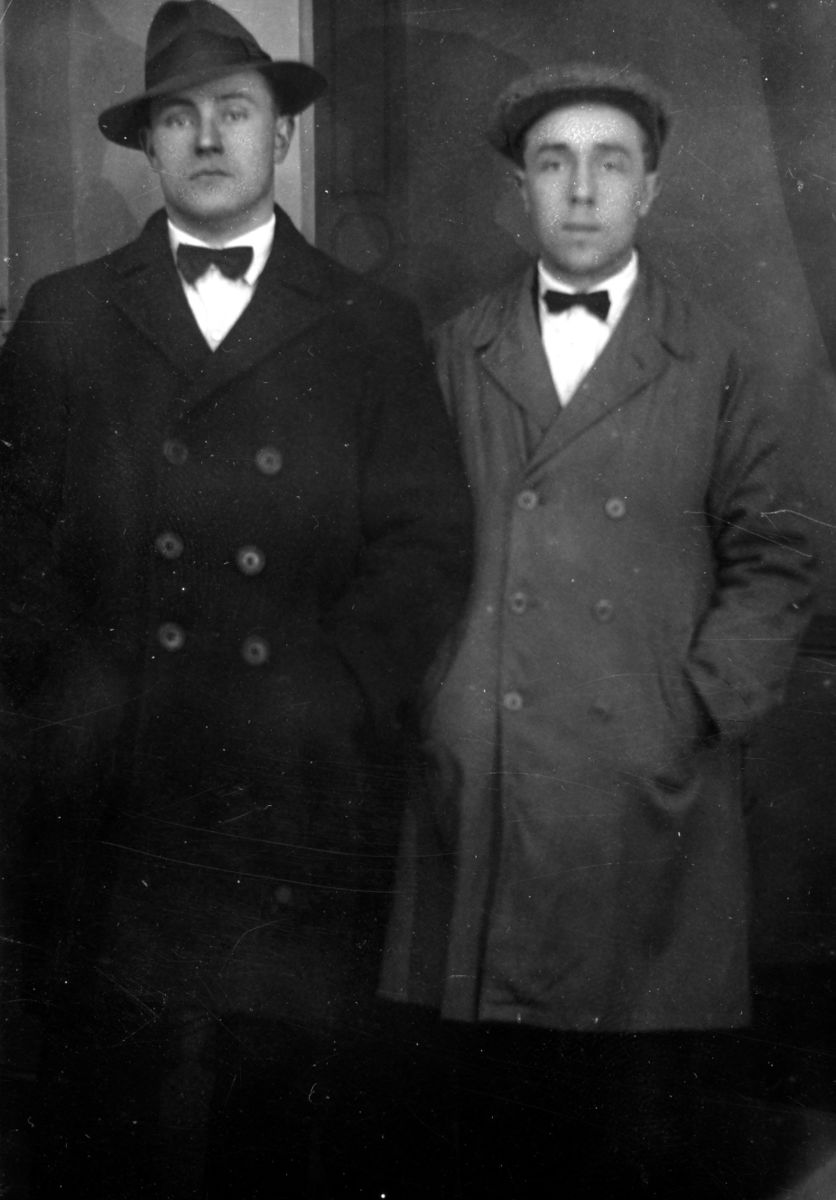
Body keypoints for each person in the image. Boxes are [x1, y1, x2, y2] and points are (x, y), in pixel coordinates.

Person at [0, 2, 471, 1195]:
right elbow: (9, 541)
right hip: (111, 787)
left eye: (234, 111)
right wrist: (67, 697)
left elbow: (422, 546)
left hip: (292, 789)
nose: (207, 137)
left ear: (281, 137)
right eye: (178, 117)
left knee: (277, 1122)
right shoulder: (64, 314)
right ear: (148, 147)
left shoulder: (370, 327)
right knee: (99, 1115)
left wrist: (335, 693)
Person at [380, 62, 819, 1197]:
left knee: (630, 1128)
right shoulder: (451, 351)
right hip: (484, 774)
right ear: (517, 192)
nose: (580, 190)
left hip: (645, 785)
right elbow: (396, 545)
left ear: (649, 191)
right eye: (553, 163)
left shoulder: (715, 357)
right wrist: (439, 694)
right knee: (488, 1124)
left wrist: (696, 702)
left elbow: (777, 554)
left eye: (609, 164)